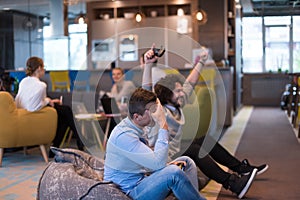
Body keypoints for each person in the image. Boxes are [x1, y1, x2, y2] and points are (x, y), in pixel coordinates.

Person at [142, 46, 268, 199]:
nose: (182, 93)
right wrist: (148, 64)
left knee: (204, 139)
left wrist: (201, 61)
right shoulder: (159, 111)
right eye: (178, 91)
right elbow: (147, 92)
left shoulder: (176, 103)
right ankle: (232, 183)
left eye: (181, 90)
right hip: (160, 158)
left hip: (173, 151)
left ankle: (241, 168)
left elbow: (191, 82)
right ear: (167, 95)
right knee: (195, 150)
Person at [104, 87, 206, 200]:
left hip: (142, 180)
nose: (156, 114)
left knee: (187, 162)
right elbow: (158, 164)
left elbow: (152, 163)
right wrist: (163, 123)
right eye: (152, 111)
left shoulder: (138, 126)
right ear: (137, 117)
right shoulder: (124, 136)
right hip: (130, 191)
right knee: (174, 173)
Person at [15, 56, 84, 158]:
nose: (44, 70)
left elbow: (31, 100)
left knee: (64, 115)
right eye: (43, 67)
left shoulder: (24, 81)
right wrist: (48, 101)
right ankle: (79, 140)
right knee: (66, 111)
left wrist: (49, 101)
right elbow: (36, 105)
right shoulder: (41, 85)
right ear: (39, 68)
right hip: (35, 115)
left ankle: (58, 147)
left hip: (21, 113)